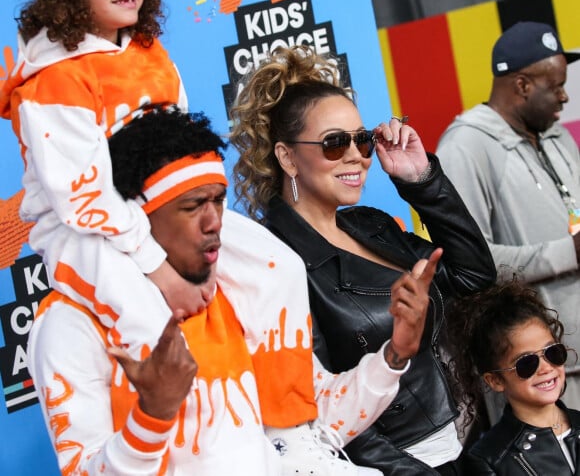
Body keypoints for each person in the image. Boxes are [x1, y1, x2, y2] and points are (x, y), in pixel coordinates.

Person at [0, 0, 355, 470]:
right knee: (151, 324)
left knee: (279, 270)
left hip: (163, 214)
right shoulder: (52, 83)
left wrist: (196, 238)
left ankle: (289, 434)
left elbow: (182, 151)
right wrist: (158, 265)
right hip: (86, 236)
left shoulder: (151, 56)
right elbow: (80, 198)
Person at [28, 104, 440, 475]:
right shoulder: (71, 323)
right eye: (192, 206)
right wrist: (151, 418)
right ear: (137, 217)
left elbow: (315, 427)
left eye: (219, 201)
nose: (214, 223)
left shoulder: (233, 288)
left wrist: (394, 355)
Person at [228, 45, 498, 475]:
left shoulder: (370, 224)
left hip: (473, 442)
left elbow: (474, 275)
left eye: (362, 139)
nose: (356, 155)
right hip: (406, 466)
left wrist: (421, 180)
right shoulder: (277, 264)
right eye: (335, 143)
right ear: (287, 157)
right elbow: (321, 406)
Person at [436, 21, 580, 413]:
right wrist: (567, 253)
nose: (566, 96)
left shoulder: (557, 136)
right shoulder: (465, 147)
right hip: (540, 373)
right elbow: (468, 267)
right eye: (556, 86)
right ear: (521, 86)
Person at [445, 282, 580, 474]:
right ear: (495, 380)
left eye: (553, 352)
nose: (546, 368)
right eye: (526, 363)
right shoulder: (488, 459)